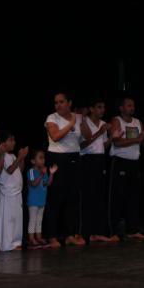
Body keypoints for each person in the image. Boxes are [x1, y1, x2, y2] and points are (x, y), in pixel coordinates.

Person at [43, 92, 85, 248]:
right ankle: (52, 236)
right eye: (56, 102)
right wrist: (71, 123)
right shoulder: (52, 118)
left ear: (69, 102)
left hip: (74, 157)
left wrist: (82, 120)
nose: (58, 105)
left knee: (72, 198)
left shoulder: (77, 117)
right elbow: (55, 136)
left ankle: (69, 234)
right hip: (57, 158)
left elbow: (84, 138)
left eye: (61, 102)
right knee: (55, 198)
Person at [110, 96, 144, 240]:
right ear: (121, 108)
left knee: (133, 198)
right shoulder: (116, 121)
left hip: (134, 162)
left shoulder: (138, 122)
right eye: (128, 105)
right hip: (120, 161)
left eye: (133, 105)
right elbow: (117, 143)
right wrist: (137, 139)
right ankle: (114, 230)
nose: (132, 108)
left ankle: (133, 230)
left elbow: (143, 145)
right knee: (117, 197)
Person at [80, 99, 113, 243]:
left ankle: (98, 231)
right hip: (87, 160)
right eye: (99, 107)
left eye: (103, 107)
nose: (102, 110)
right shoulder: (84, 122)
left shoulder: (103, 124)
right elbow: (82, 145)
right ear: (91, 109)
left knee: (100, 197)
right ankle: (86, 233)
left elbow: (102, 146)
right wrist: (100, 132)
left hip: (100, 160)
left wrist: (112, 138)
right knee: (88, 197)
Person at [0, 132, 28, 252]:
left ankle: (16, 241)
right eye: (10, 140)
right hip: (7, 192)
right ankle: (7, 244)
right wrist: (20, 157)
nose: (13, 142)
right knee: (8, 219)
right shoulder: (2, 156)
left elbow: (21, 169)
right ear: (3, 143)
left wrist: (21, 158)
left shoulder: (13, 156)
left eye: (14, 140)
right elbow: (9, 170)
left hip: (17, 192)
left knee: (16, 218)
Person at [26, 149, 57, 247]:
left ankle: (38, 237)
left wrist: (51, 173)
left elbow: (47, 183)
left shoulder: (44, 171)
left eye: (43, 158)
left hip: (41, 200)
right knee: (33, 220)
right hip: (33, 201)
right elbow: (33, 183)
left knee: (39, 220)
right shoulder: (31, 171)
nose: (43, 160)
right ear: (33, 161)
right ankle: (31, 238)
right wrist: (42, 174)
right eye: (40, 158)